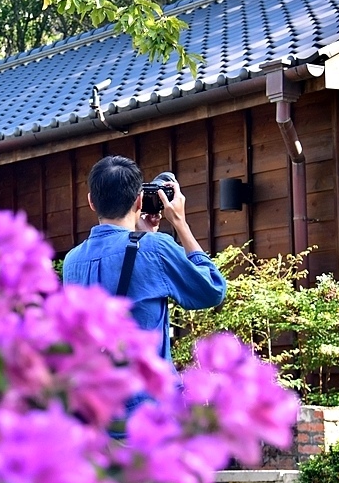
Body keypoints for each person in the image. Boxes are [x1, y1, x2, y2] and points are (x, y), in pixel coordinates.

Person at [62, 155, 227, 367]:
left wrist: (143, 236)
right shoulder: (155, 247)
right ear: (139, 200)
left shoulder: (71, 261)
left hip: (97, 394)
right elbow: (212, 290)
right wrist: (180, 223)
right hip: (148, 396)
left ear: (91, 202)